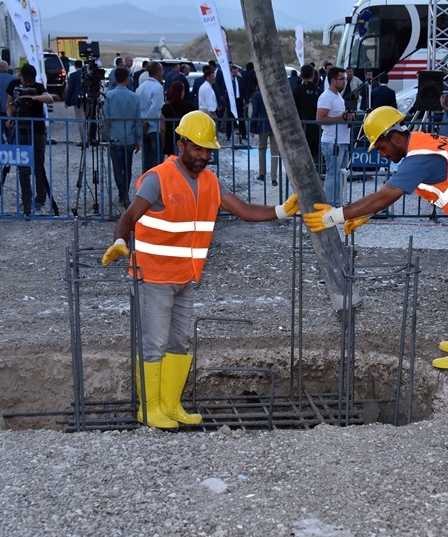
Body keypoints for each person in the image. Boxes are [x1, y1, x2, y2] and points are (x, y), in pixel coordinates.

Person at [100, 111, 300, 429]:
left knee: (178, 342)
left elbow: (245, 210)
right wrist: (120, 241)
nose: (203, 156)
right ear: (181, 144)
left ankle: (170, 404)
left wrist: (280, 211)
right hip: (153, 276)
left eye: (208, 150)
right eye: (197, 148)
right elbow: (128, 216)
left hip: (185, 277)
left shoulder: (210, 182)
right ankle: (148, 409)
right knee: (154, 343)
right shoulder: (158, 178)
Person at [303, 106, 448, 369]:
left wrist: (334, 216)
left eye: (380, 147)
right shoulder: (420, 145)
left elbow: (387, 194)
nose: (381, 154)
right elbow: (401, 187)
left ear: (394, 138)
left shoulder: (419, 157)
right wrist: (365, 213)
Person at [4, 63, 55, 216]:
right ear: (21, 77)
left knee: (39, 166)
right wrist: (9, 118)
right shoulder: (14, 85)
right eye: (26, 83)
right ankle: (26, 200)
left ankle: (40, 201)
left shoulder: (37, 87)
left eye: (30, 83)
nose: (28, 85)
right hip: (21, 128)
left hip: (37, 129)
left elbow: (50, 98)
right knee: (23, 166)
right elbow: (9, 103)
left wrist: (34, 97)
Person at [104, 67, 142, 209]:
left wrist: (105, 136)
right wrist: (138, 138)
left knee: (117, 167)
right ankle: (124, 194)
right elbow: (138, 119)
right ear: (127, 79)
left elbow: (105, 118)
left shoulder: (109, 96)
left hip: (114, 136)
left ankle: (122, 193)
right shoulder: (134, 97)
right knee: (128, 167)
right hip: (129, 137)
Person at [317, 66, 354, 206]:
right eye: (342, 79)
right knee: (333, 174)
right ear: (333, 80)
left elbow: (339, 116)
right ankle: (331, 204)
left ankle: (338, 202)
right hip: (332, 142)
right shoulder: (326, 97)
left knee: (341, 175)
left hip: (342, 141)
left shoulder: (338, 96)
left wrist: (348, 117)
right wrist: (341, 118)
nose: (344, 81)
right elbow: (320, 119)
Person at [136, 61, 164, 173]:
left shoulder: (140, 87)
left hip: (143, 126)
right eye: (162, 71)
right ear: (157, 72)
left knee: (146, 158)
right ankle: (156, 184)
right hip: (153, 127)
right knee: (156, 158)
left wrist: (142, 123)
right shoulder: (157, 87)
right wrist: (148, 122)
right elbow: (155, 106)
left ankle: (146, 181)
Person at [292, 63, 321, 163]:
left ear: (301, 76)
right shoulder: (319, 91)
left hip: (301, 126)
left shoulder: (297, 90)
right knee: (315, 154)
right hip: (317, 127)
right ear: (313, 75)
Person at [250, 89, 280, 185]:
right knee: (274, 152)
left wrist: (252, 128)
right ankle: (274, 178)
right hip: (275, 126)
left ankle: (262, 174)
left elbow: (255, 112)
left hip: (262, 125)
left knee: (262, 150)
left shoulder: (257, 95)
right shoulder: (276, 93)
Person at [160, 80, 195, 158]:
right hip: (185, 140)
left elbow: (163, 128)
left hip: (170, 140)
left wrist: (164, 143)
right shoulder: (189, 106)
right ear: (182, 92)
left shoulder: (166, 108)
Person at [65, 59, 86, 145]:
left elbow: (70, 89)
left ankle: (83, 139)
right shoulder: (87, 75)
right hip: (88, 98)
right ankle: (90, 138)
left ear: (75, 66)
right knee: (88, 118)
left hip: (77, 99)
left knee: (80, 119)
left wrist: (67, 101)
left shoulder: (73, 75)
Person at [225, 64, 247, 143]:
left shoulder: (240, 80)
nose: (235, 73)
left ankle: (243, 134)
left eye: (236, 72)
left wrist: (246, 101)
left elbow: (244, 90)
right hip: (231, 102)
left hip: (239, 101)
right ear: (231, 72)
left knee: (241, 118)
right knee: (230, 119)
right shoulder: (228, 80)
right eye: (234, 72)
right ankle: (228, 135)